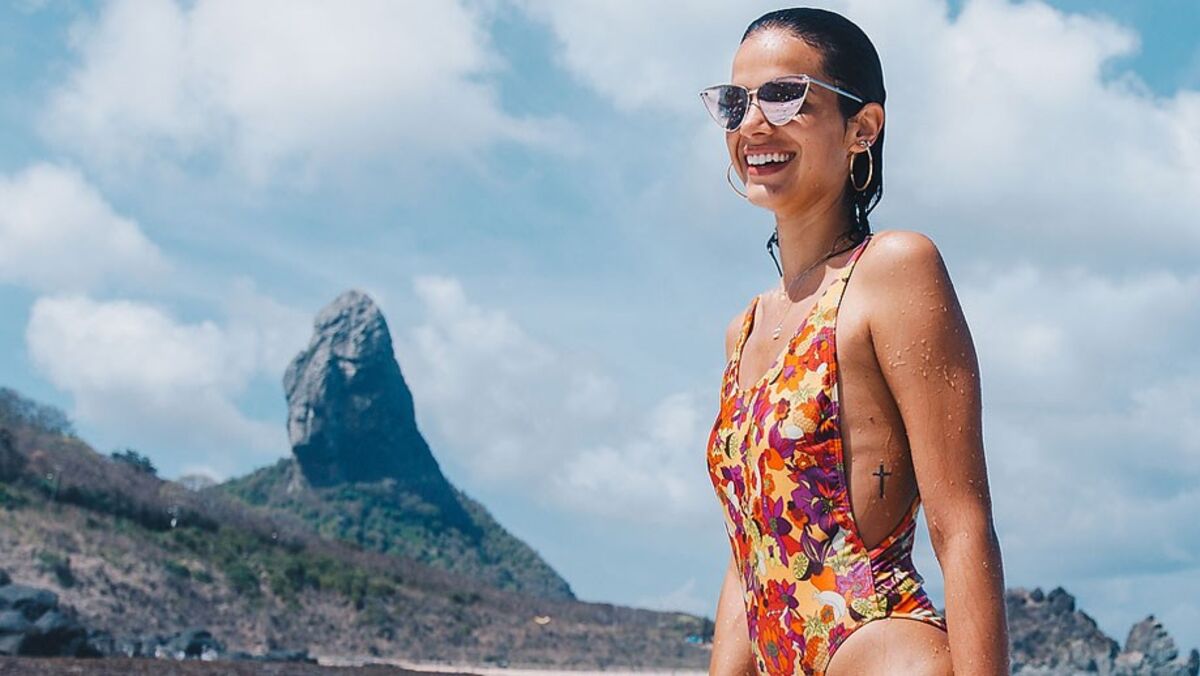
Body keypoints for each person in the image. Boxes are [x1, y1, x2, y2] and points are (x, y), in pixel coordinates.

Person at [700, 8, 1009, 675]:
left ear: (861, 128)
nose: (752, 124)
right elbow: (748, 554)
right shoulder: (744, 329)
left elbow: (961, 526)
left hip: (878, 652)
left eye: (784, 96)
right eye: (734, 103)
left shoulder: (895, 270)